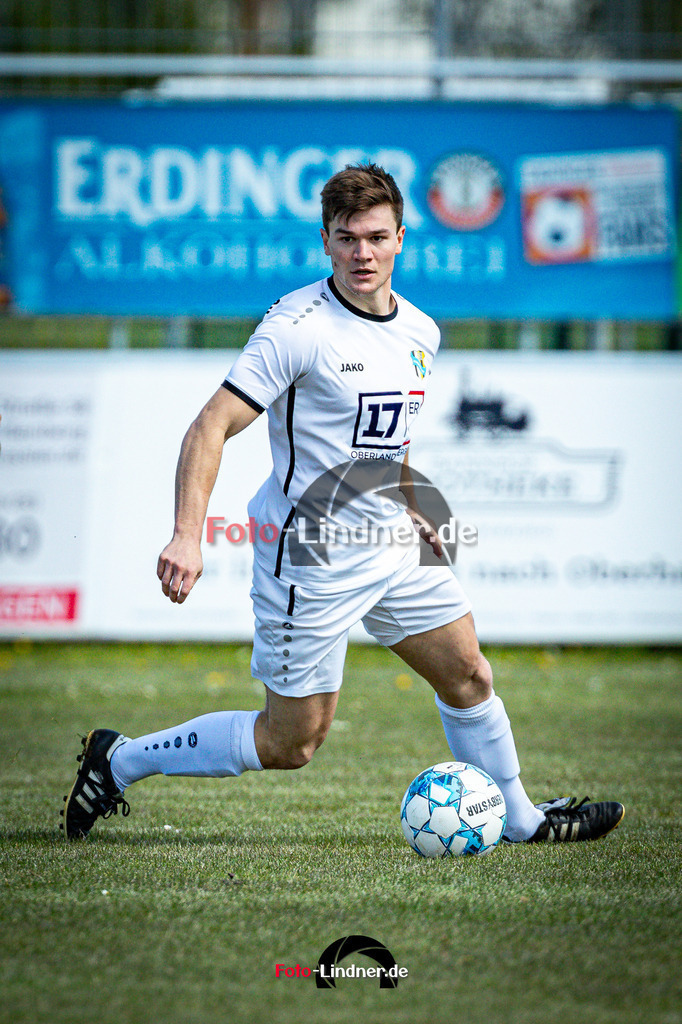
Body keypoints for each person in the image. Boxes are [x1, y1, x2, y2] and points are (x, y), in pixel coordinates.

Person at [61, 163, 624, 845]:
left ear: (400, 240)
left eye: (376, 237)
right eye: (347, 237)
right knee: (291, 741)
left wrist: (413, 501)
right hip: (310, 556)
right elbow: (209, 424)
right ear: (325, 241)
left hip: (389, 541)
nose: (362, 252)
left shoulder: (419, 331)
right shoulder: (296, 328)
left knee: (469, 673)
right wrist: (187, 534)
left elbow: (387, 436)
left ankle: (522, 820)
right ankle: (117, 761)